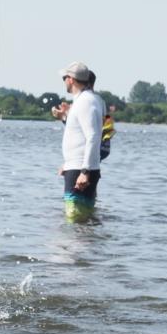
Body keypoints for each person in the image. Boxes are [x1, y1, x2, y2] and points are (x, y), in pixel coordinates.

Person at [55, 62, 105, 219]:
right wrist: (69, 163)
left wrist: (85, 172)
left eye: (65, 77)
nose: (64, 81)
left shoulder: (85, 101)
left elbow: (93, 136)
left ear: (71, 79)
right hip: (77, 167)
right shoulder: (83, 100)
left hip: (81, 171)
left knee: (76, 220)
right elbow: (79, 135)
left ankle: (80, 244)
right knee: (79, 222)